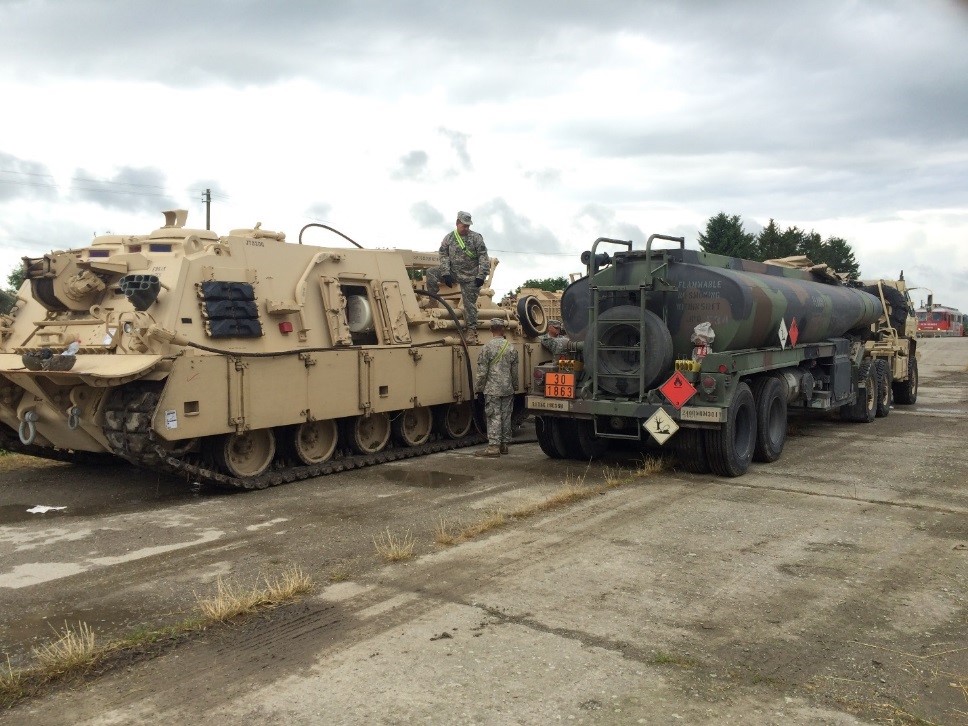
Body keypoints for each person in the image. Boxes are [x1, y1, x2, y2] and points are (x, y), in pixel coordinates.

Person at [426, 211, 489, 342]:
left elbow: (483, 256)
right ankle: (432, 302)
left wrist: (481, 276)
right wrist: (445, 273)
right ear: (457, 223)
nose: (466, 228)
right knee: (431, 272)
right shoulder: (449, 238)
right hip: (453, 273)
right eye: (464, 225)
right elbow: (443, 256)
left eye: (468, 226)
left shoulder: (476, 238)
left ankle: (471, 331)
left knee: (469, 304)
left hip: (471, 277)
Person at [474, 318, 518, 457]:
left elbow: (482, 371)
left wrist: (479, 388)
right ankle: (504, 445)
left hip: (492, 389)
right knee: (506, 416)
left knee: (493, 416)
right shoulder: (510, 347)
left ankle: (493, 447)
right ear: (502, 329)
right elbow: (515, 371)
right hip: (507, 388)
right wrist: (514, 386)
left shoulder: (487, 347)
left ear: (491, 329)